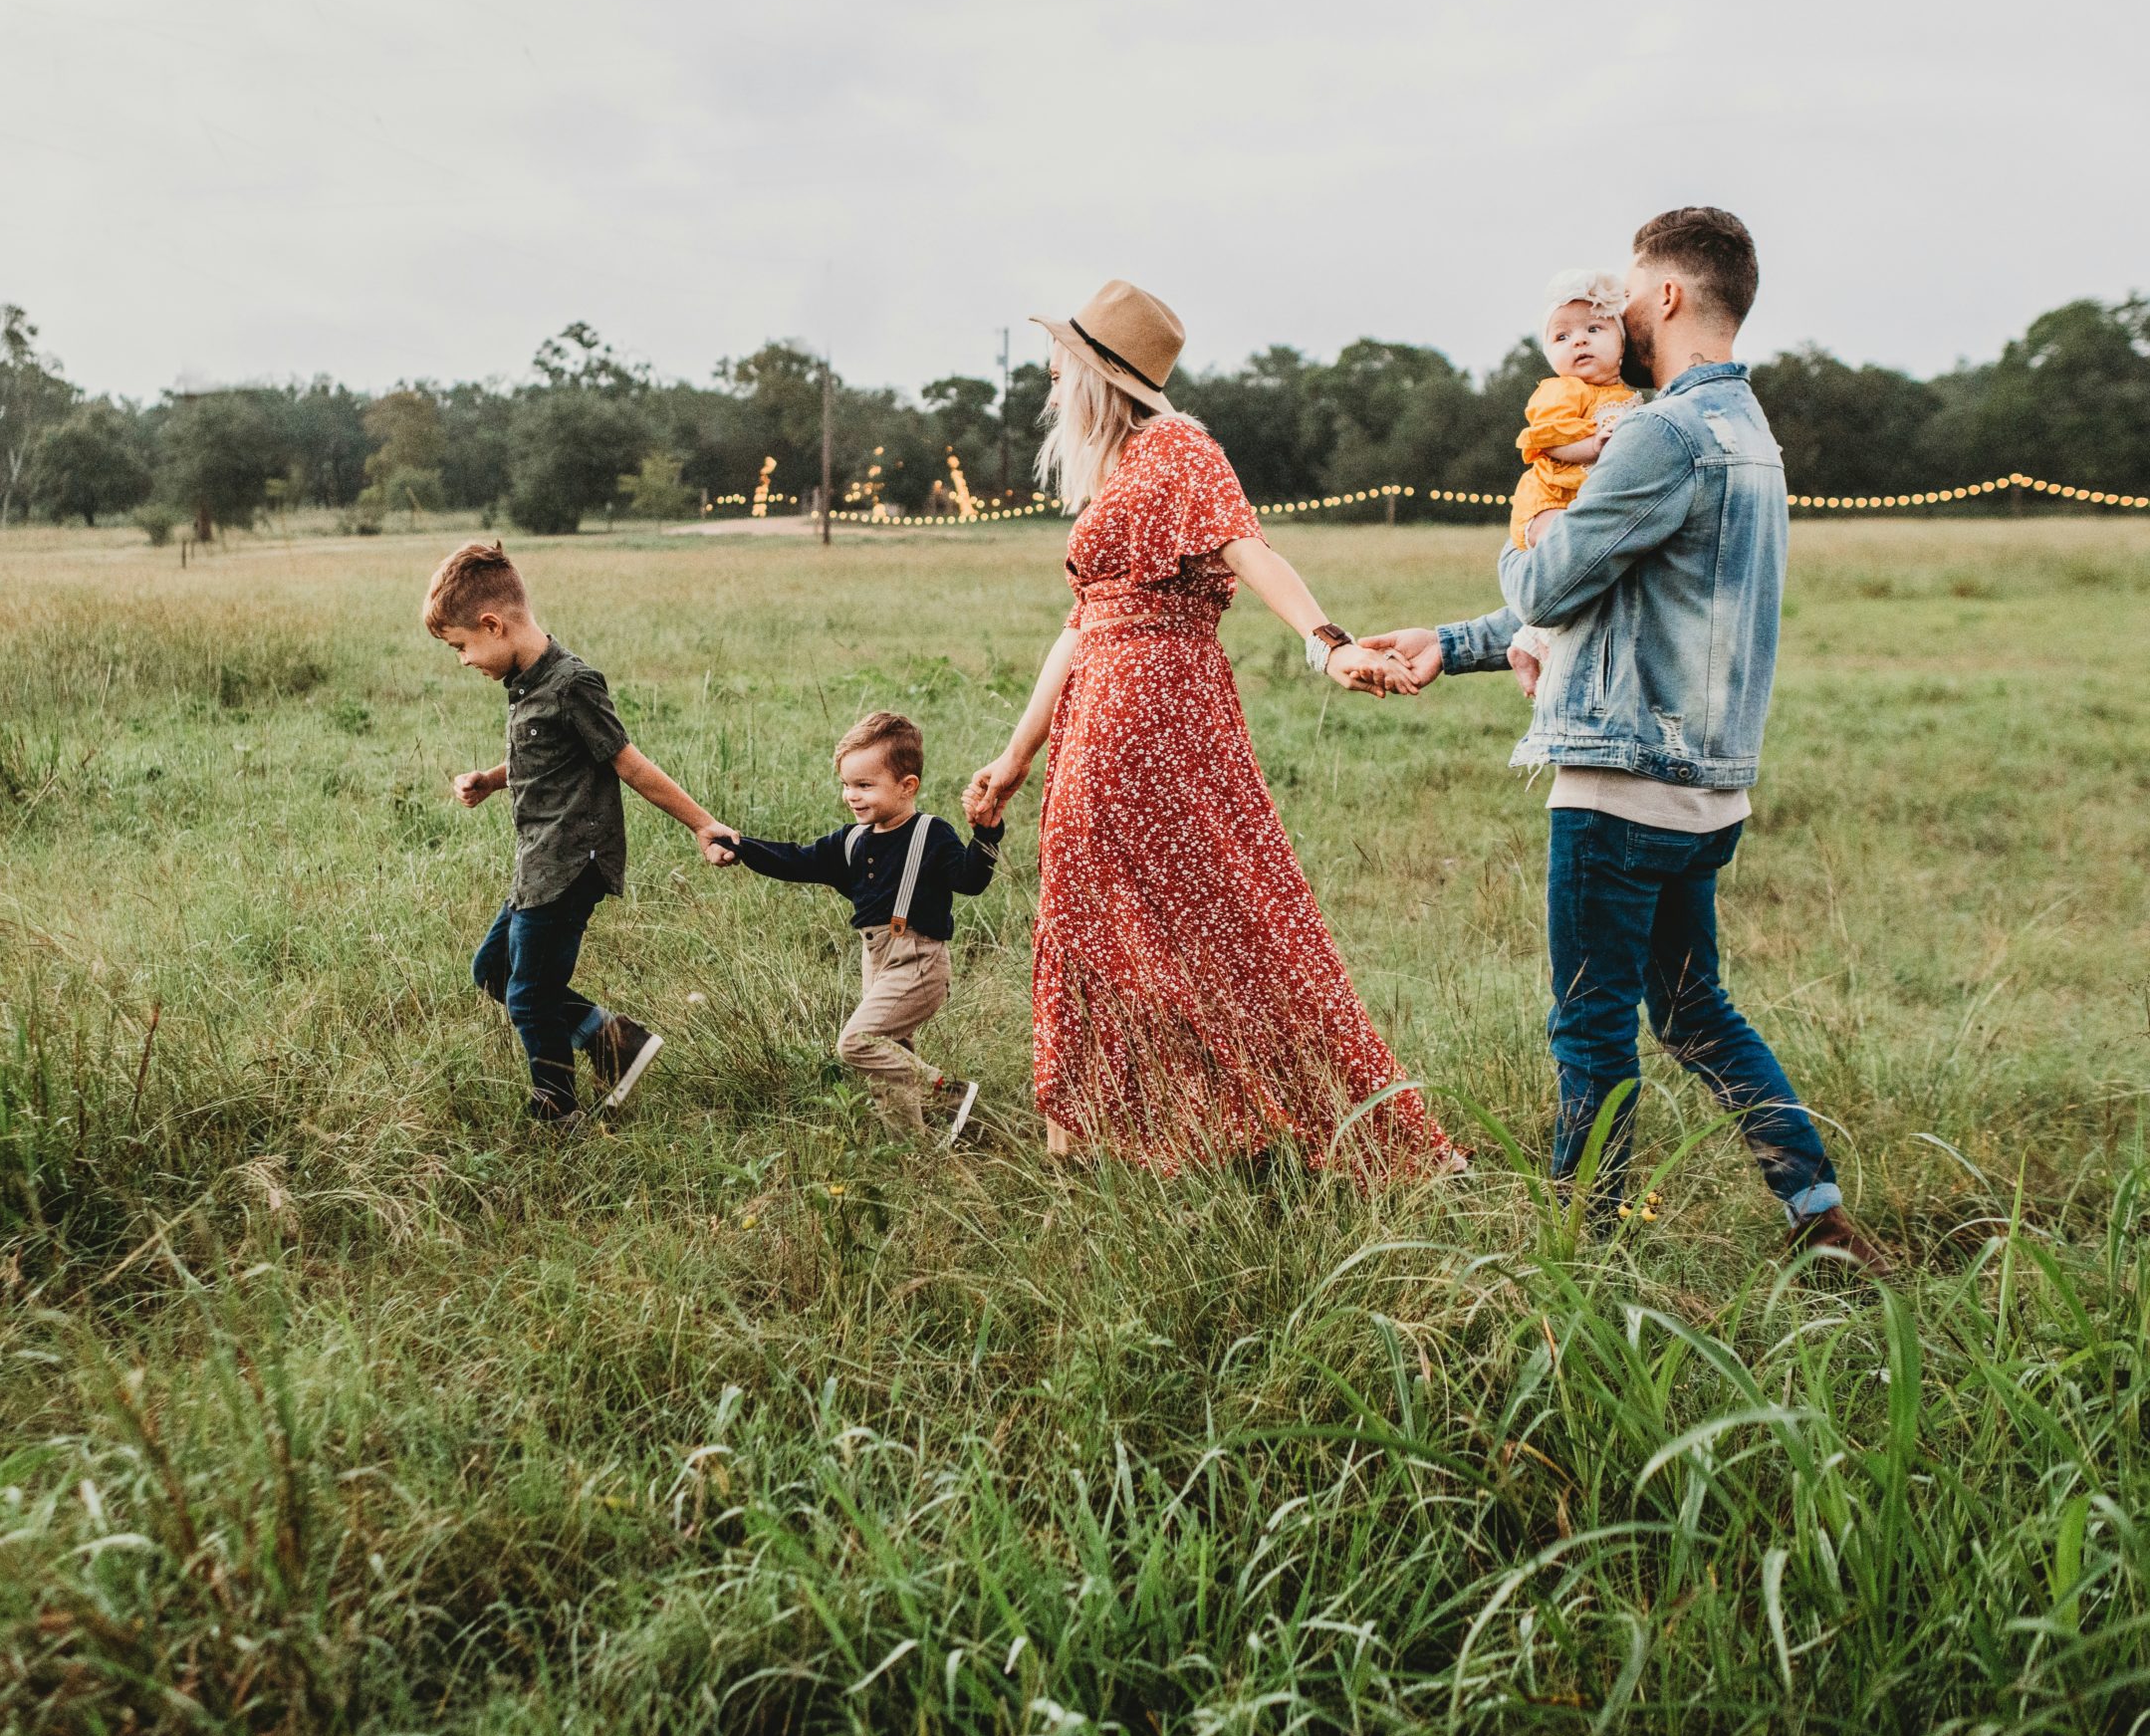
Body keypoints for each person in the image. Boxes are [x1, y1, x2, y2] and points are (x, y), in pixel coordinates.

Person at [1361, 209, 1891, 1271]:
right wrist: (1453, 643)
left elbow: (1555, 580)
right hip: (1707, 789)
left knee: (1589, 1027)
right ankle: (1817, 1215)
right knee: (1694, 1012)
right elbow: (1620, 598)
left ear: (1668, 298)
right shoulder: (1749, 434)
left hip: (1619, 784)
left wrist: (1530, 535)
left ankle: (1579, 1251)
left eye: (1628, 293)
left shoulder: (1658, 433)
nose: (1613, 314)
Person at [962, 278, 1461, 1177]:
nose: (1047, 375)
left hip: (1153, 711)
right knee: (1097, 914)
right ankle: (1109, 1130)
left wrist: (1327, 643)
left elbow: (1250, 548)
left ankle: (1286, 1122)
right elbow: (1079, 628)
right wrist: (1014, 756)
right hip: (1102, 711)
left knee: (1224, 914)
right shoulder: (1118, 468)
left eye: (1060, 361)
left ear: (1098, 374)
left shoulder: (1179, 447)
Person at [424, 540, 733, 1128]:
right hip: (536, 863)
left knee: (528, 995)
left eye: (462, 647)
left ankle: (557, 1110)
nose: (463, 660)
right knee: (492, 971)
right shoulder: (526, 686)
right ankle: (616, 1042)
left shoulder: (572, 684)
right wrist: (492, 779)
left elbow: (627, 762)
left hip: (570, 865)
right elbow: (545, 758)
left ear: (492, 624)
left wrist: (703, 824)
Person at [709, 711, 1001, 1142]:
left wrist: (986, 834)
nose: (852, 795)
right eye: (847, 784)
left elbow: (971, 881)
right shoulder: (851, 841)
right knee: (888, 1059)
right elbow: (795, 860)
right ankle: (911, 1152)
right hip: (876, 960)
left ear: (908, 786)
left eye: (865, 785)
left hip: (918, 960)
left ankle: (949, 1092)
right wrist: (740, 846)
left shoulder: (930, 833)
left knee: (858, 1043)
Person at [1506, 270, 1641, 698]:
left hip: (1580, 502)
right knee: (1565, 561)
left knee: (1585, 574)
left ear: (1622, 343)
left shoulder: (1627, 395)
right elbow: (1548, 439)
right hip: (1548, 500)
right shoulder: (1563, 391)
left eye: (1594, 329)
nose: (1578, 342)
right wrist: (1591, 445)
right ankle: (1533, 644)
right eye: (1561, 337)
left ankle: (1529, 642)